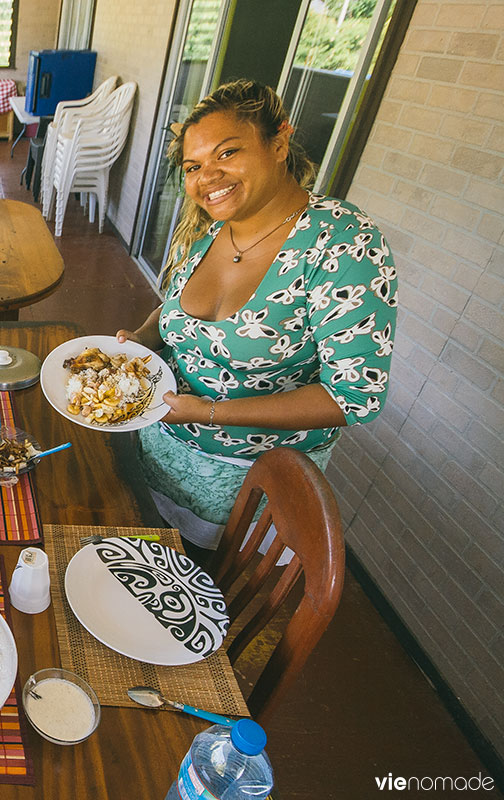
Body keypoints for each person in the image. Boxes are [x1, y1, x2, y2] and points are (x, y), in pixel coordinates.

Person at [118, 79, 397, 551]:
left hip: (245, 494)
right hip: (158, 463)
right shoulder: (211, 231)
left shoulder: (343, 243)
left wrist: (210, 412)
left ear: (280, 143)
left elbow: (356, 397)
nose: (208, 176)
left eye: (227, 154)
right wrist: (145, 336)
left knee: (202, 613)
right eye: (194, 166)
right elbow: (177, 312)